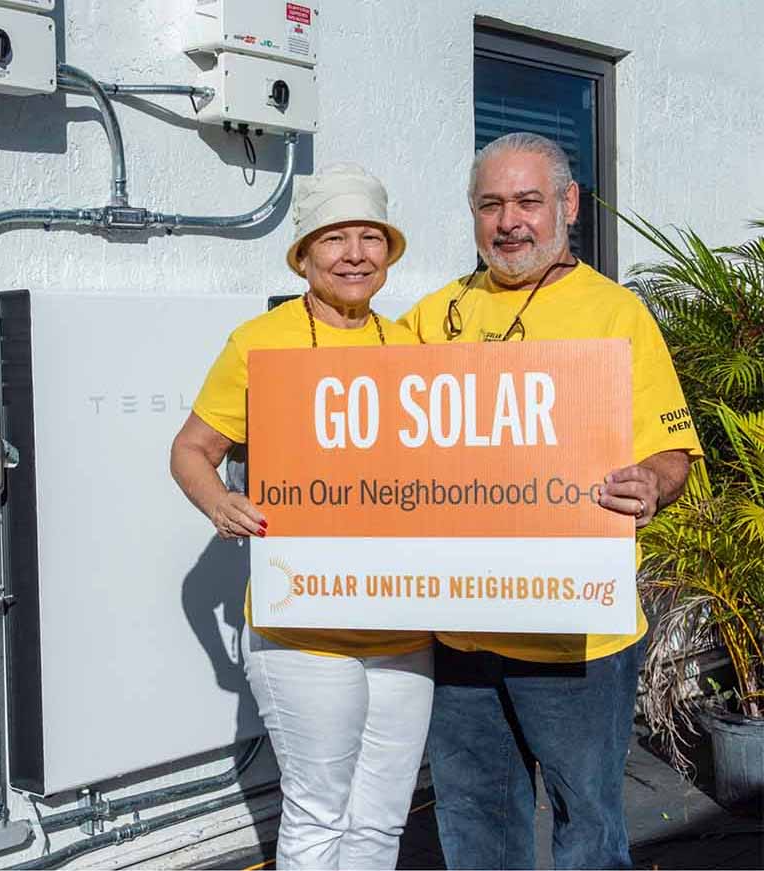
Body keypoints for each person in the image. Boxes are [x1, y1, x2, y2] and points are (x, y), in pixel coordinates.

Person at [400, 132, 703, 870]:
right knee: (476, 820)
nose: (510, 222)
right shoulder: (431, 316)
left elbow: (672, 451)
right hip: (460, 627)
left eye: (528, 201)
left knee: (588, 823)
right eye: (491, 204)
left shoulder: (616, 315)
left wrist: (652, 483)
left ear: (567, 205)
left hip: (575, 640)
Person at [171, 164, 433, 870]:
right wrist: (218, 501)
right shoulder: (260, 341)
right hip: (302, 624)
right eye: (335, 238)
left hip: (404, 624)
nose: (354, 254)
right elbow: (192, 449)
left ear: (389, 250)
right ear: (305, 256)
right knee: (319, 811)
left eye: (370, 237)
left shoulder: (414, 349)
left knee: (380, 822)